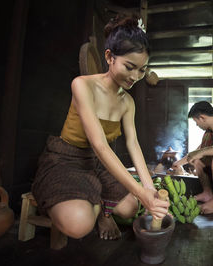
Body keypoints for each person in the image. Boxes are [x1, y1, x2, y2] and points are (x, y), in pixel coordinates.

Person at [32, 15, 169, 241]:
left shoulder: (128, 103)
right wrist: (139, 191)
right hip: (67, 159)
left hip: (97, 164)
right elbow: (100, 145)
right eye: (129, 66)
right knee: (79, 225)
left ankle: (100, 205)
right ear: (109, 57)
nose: (135, 76)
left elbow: (133, 145)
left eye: (142, 70)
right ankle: (99, 208)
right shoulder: (83, 85)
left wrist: (149, 189)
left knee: (130, 208)